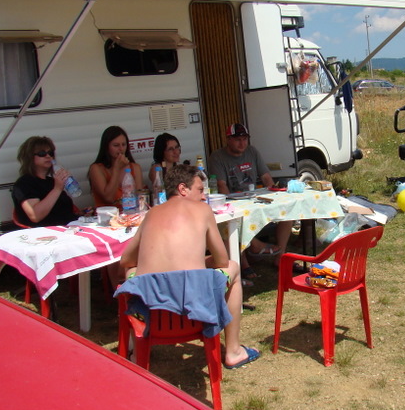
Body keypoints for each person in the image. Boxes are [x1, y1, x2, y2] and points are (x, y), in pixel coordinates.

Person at [119, 164, 259, 370]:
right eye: (200, 190)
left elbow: (126, 261)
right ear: (183, 189)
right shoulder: (203, 210)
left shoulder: (151, 213)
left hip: (153, 307)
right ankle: (233, 351)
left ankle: (136, 352)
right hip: (193, 305)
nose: (203, 196)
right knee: (233, 266)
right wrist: (205, 262)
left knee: (131, 272)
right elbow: (222, 260)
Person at [208, 123, 292, 282]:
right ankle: (245, 262)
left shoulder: (252, 152)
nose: (242, 143)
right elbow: (221, 185)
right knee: (235, 219)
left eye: (245, 139)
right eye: (238, 139)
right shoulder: (217, 157)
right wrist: (232, 202)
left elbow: (266, 176)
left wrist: (276, 195)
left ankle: (280, 257)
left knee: (287, 210)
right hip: (234, 199)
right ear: (228, 140)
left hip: (255, 197)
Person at [12, 136, 80, 227]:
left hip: (69, 227)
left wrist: (82, 214)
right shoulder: (24, 183)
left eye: (50, 153)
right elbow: (35, 216)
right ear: (29, 157)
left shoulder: (52, 181)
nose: (48, 156)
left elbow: (64, 211)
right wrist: (57, 189)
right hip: (46, 232)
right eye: (42, 153)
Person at [89, 125, 144, 209]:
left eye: (123, 144)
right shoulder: (96, 168)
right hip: (107, 214)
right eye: (116, 145)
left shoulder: (135, 167)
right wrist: (116, 169)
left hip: (131, 213)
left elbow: (140, 198)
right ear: (106, 147)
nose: (121, 149)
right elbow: (108, 198)